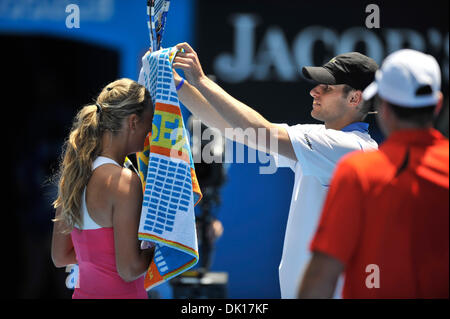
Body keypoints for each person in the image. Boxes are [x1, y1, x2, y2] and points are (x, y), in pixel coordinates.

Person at [172, 42, 379, 298]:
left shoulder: (349, 148)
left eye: (326, 87)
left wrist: (200, 80)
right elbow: (240, 131)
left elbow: (261, 132)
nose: (314, 91)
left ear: (354, 98)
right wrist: (178, 86)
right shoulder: (324, 139)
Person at [298, 49, 449, 299]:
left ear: (383, 106)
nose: (315, 91)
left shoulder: (357, 172)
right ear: (438, 104)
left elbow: (322, 273)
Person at [51, 78, 155, 299]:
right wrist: (159, 245)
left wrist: (99, 258)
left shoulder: (73, 173)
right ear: (134, 122)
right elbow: (129, 270)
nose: (151, 131)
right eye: (150, 122)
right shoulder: (125, 181)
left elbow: (60, 256)